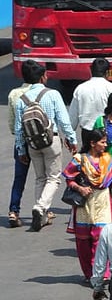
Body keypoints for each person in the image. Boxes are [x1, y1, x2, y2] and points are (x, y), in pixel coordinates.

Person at [14, 60, 80, 232]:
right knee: (53, 178)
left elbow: (19, 127)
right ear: (43, 77)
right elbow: (64, 121)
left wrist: (21, 149)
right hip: (52, 140)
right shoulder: (53, 94)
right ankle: (41, 207)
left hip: (32, 144)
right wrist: (72, 139)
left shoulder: (22, 99)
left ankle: (42, 215)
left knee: (40, 178)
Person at [63, 129, 112, 283]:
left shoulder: (107, 160)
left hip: (102, 203)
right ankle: (89, 274)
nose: (105, 145)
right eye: (102, 142)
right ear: (92, 143)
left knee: (101, 239)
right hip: (84, 206)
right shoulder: (79, 159)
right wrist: (80, 188)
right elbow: (69, 178)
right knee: (83, 243)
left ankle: (103, 274)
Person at [69, 57, 112, 144]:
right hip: (107, 131)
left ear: (91, 70)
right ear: (107, 72)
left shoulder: (80, 88)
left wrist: (69, 136)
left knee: (88, 157)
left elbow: (73, 116)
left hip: (87, 133)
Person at [8, 73, 34, 228]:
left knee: (19, 179)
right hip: (40, 143)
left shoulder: (14, 93)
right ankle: (42, 209)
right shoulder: (45, 93)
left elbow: (13, 124)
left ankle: (13, 210)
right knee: (43, 179)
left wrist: (19, 143)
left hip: (21, 142)